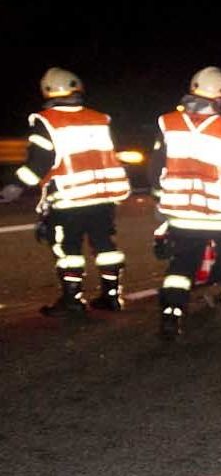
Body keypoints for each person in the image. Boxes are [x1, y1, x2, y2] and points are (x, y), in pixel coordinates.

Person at [3, 68, 130, 315]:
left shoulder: (46, 121)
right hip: (103, 196)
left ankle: (72, 300)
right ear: (78, 88)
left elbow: (39, 163)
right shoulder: (99, 118)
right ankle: (111, 295)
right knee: (104, 244)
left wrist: (15, 187)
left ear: (46, 91)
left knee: (68, 249)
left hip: (69, 198)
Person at [153, 66, 221, 338]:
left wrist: (160, 203)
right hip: (219, 214)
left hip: (180, 214)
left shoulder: (167, 122)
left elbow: (155, 168)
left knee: (181, 266)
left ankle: (171, 315)